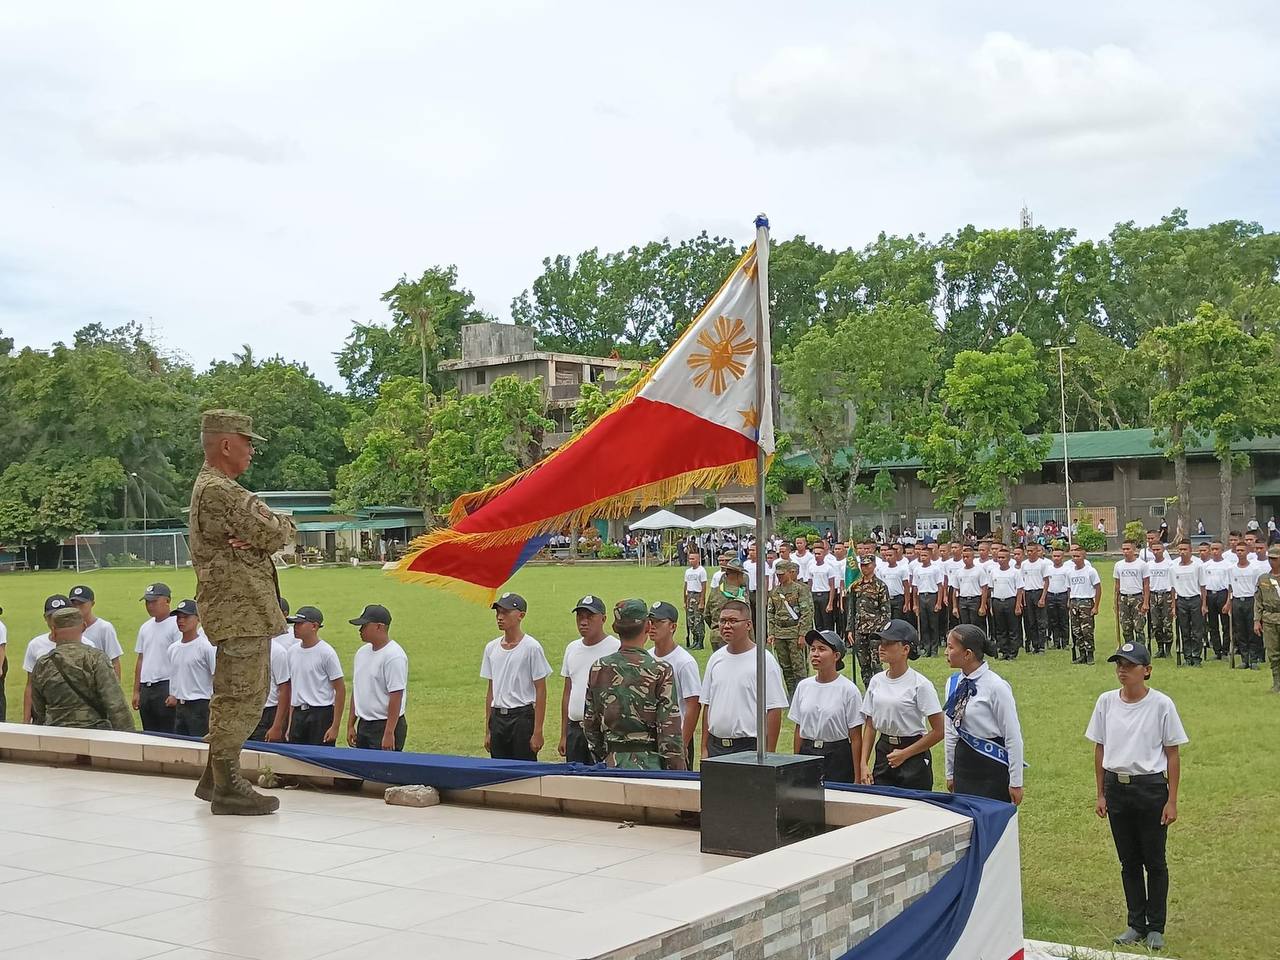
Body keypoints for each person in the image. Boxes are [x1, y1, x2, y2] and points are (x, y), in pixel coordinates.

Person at [190, 409, 296, 815]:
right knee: (244, 694)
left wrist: (262, 537)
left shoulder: (215, 488)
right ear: (227, 444)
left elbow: (266, 535)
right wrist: (271, 532)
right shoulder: (221, 491)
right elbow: (275, 532)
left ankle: (216, 778)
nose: (252, 451)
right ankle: (228, 785)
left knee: (233, 692)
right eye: (248, 442)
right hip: (240, 608)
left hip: (236, 606)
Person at [1086, 641, 1187, 952]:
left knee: (1154, 861)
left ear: (1147, 671)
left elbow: (1172, 754)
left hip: (1150, 789)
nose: (1122, 670)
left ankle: (1156, 926)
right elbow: (1100, 748)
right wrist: (1101, 792)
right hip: (1118, 788)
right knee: (1128, 860)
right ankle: (1135, 923)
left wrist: (1171, 799)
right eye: (1119, 664)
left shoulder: (1161, 705)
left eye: (1129, 665)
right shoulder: (1106, 702)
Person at [583, 599, 686, 771]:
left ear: (616, 628)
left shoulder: (599, 668)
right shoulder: (660, 670)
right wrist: (676, 772)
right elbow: (670, 734)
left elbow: (590, 725)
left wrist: (605, 757)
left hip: (611, 765)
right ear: (647, 627)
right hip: (651, 768)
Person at [943, 624, 1024, 805]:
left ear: (968, 654)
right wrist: (950, 772)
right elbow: (950, 732)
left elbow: (1012, 735)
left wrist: (1016, 782)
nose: (946, 652)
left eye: (950, 647)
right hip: (964, 763)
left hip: (991, 765)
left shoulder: (996, 686)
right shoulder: (953, 683)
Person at [859, 620, 944, 790]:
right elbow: (870, 724)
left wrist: (906, 754)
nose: (881, 647)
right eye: (881, 642)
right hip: (884, 750)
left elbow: (940, 730)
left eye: (889, 643)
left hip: (913, 752)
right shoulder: (876, 681)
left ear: (906, 649)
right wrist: (863, 763)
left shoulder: (920, 684)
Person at [700, 598, 788, 758]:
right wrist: (704, 748)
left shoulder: (763, 660)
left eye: (733, 621)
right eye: (723, 621)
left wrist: (768, 753)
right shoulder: (716, 659)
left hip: (749, 747)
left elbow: (774, 709)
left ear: (748, 625)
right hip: (716, 746)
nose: (726, 626)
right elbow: (707, 705)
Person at [29, 606, 135, 732]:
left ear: (53, 630)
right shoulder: (95, 659)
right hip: (93, 732)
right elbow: (115, 704)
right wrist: (129, 735)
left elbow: (38, 710)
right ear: (84, 627)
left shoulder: (43, 664)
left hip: (56, 734)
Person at [481, 592, 551, 760]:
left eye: (505, 613)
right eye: (498, 613)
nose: (499, 617)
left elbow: (540, 690)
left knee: (524, 768)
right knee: (498, 770)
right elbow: (491, 689)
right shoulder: (491, 648)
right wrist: (488, 729)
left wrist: (537, 731)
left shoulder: (531, 648)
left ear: (521, 615)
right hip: (498, 717)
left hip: (522, 718)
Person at [788, 629, 863, 783]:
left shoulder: (848, 690)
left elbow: (855, 737)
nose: (815, 654)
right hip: (808, 753)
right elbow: (798, 730)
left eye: (822, 649)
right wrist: (796, 765)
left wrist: (857, 776)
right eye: (813, 649)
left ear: (836, 656)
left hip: (837, 755)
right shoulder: (804, 686)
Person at [559, 595, 620, 763]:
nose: (583, 622)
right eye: (580, 616)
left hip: (602, 731)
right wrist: (564, 733)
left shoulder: (615, 648)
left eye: (590, 617)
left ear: (603, 619)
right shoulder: (572, 648)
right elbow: (567, 692)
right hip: (575, 730)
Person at [23, 595, 96, 723]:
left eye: (63, 617)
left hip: (81, 717)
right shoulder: (35, 645)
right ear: (45, 619)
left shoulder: (88, 646)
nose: (56, 622)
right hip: (48, 714)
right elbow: (30, 685)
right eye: (52, 617)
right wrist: (26, 721)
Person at [345, 604, 408, 750]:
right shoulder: (361, 653)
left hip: (384, 725)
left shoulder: (394, 656)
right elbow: (357, 689)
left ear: (379, 627)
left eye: (364, 626)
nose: (360, 630)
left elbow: (396, 695)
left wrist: (389, 733)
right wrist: (350, 724)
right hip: (365, 723)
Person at [647, 601, 702, 768]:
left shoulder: (684, 662)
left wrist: (682, 744)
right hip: (651, 738)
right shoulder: (647, 658)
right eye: (650, 622)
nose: (653, 627)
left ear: (672, 626)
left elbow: (693, 705)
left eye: (659, 622)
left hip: (676, 736)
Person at [284, 606, 345, 745]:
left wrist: (335, 726)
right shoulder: (292, 652)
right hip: (299, 714)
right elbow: (294, 688)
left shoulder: (326, 653)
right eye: (295, 624)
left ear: (314, 626)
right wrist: (290, 724)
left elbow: (340, 689)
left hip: (321, 714)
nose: (295, 627)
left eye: (300, 624)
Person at [132, 583, 181, 733]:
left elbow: (180, 661)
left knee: (168, 731)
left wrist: (175, 692)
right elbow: (141, 659)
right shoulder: (145, 627)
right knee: (149, 733)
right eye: (147, 602)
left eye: (154, 602)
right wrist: (136, 691)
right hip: (147, 687)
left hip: (165, 685)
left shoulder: (176, 625)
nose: (149, 606)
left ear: (167, 601)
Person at [165, 600, 216, 738]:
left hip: (200, 705)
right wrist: (173, 694)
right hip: (181, 706)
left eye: (186, 617)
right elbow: (175, 674)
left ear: (198, 618)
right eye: (178, 617)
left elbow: (215, 675)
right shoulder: (173, 648)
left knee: (199, 745)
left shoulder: (206, 647)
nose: (181, 621)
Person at [767, 559, 813, 698]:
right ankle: (792, 695)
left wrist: (802, 634)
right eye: (778, 574)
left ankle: (803, 695)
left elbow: (806, 612)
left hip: (794, 632)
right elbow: (770, 612)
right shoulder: (775, 591)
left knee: (799, 667)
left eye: (782, 573)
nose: (780, 576)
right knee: (785, 667)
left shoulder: (799, 589)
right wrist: (771, 632)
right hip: (780, 633)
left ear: (790, 572)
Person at [250, 598, 294, 743]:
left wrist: (277, 725)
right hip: (249, 710)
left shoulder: (277, 652)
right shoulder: (245, 648)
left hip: (269, 711)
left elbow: (284, 689)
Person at [850, 553, 890, 684]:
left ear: (874, 565)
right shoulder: (856, 586)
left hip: (875, 631)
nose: (864, 568)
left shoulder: (880, 586)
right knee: (864, 664)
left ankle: (880, 690)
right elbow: (852, 609)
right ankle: (868, 690)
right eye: (862, 565)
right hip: (859, 630)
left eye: (867, 565)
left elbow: (886, 611)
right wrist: (849, 629)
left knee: (876, 664)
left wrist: (882, 631)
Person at [67, 585, 123, 678]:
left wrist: (115, 689)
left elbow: (114, 661)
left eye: (81, 603)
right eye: (74, 604)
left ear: (92, 604)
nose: (77, 607)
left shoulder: (104, 628)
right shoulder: (67, 630)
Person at [1227, 543, 1263, 670]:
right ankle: (1244, 659)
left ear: (1247, 551)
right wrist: (1228, 603)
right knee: (1240, 631)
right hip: (1237, 601)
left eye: (1242, 550)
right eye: (1238, 550)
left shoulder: (1254, 569)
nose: (1240, 552)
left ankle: (1254, 660)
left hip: (1250, 600)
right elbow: (1230, 587)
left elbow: (1258, 589)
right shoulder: (1231, 569)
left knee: (1252, 631)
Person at [1171, 540, 1207, 666]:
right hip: (1181, 601)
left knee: (1197, 631)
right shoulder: (1174, 568)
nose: (1182, 552)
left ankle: (1196, 657)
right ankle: (1187, 657)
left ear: (1191, 551)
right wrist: (1173, 607)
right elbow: (1173, 588)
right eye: (1180, 550)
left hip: (1195, 600)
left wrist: (1204, 604)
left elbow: (1203, 587)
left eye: (1185, 549)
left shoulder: (1198, 567)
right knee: (1184, 631)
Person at [910, 546, 947, 657]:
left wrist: (938, 602)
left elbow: (940, 586)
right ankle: (926, 648)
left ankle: (934, 649)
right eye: (921, 555)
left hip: (932, 596)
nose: (923, 557)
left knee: (933, 625)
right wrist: (915, 604)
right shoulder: (917, 570)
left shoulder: (935, 569)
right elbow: (915, 588)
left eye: (925, 555)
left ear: (930, 556)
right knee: (924, 624)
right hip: (921, 596)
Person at [1068, 544, 1102, 664]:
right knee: (1077, 630)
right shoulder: (1070, 572)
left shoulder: (1090, 571)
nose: (1076, 558)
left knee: (1087, 630)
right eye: (1074, 556)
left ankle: (1090, 654)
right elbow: (1069, 588)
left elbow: (1098, 588)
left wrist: (1096, 605)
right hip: (1074, 602)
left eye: (1078, 556)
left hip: (1086, 602)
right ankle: (1081, 654)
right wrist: (1069, 603)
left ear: (1083, 557)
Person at [704, 558, 748, 651]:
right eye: (742, 574)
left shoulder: (715, 591)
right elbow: (747, 618)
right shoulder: (741, 594)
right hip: (736, 636)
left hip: (716, 636)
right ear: (737, 575)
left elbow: (706, 615)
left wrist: (716, 627)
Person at [1252, 545, 1280, 693]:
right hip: (1269, 619)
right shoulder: (1264, 579)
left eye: (1275, 559)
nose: (1272, 562)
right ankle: (1277, 683)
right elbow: (1258, 601)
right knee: (1273, 654)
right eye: (1270, 559)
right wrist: (1257, 620)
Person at [988, 546, 1023, 660]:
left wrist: (1018, 605)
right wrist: (992, 606)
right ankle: (1003, 651)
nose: (1000, 560)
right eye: (999, 558)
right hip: (997, 601)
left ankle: (1013, 652)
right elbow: (991, 590)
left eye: (1003, 557)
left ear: (1008, 559)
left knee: (1012, 628)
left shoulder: (1015, 572)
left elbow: (1019, 590)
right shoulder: (993, 572)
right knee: (1000, 628)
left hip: (1010, 600)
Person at [1113, 541, 1150, 647]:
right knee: (1126, 627)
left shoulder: (1142, 565)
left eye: (1128, 549)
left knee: (1138, 627)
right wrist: (1115, 602)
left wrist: (1146, 602)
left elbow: (1146, 585)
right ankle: (1129, 651)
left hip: (1137, 598)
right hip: (1124, 598)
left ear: (1134, 550)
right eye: (1123, 549)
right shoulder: (1118, 565)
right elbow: (1117, 585)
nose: (1125, 551)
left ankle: (1141, 650)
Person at [1145, 541, 1175, 659]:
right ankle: (1160, 648)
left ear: (1163, 550)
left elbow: (1173, 583)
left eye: (1158, 550)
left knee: (1167, 624)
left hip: (1166, 594)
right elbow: (1146, 583)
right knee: (1156, 624)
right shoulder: (1148, 565)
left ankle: (1168, 649)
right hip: (1153, 595)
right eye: (1154, 550)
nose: (1156, 552)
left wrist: (1173, 600)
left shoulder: (1170, 564)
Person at [950, 545, 991, 628]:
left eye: (967, 557)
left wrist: (983, 605)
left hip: (975, 600)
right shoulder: (958, 572)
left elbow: (984, 589)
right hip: (962, 600)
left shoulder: (979, 571)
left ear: (972, 557)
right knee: (964, 626)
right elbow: (955, 590)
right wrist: (954, 607)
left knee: (976, 625)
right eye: (964, 557)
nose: (965, 559)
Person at [1202, 542, 1231, 660]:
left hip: (1222, 594)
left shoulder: (1228, 565)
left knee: (1225, 624)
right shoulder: (1206, 565)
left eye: (1217, 549)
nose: (1215, 551)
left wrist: (1228, 601)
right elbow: (1203, 586)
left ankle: (1225, 650)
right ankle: (1217, 651)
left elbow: (1230, 585)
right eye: (1213, 549)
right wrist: (1204, 603)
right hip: (1210, 594)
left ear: (1222, 550)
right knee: (1212, 625)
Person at [1019, 543, 1049, 654]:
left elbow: (1046, 581)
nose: (1030, 553)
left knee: (1041, 621)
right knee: (1031, 622)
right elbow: (1022, 582)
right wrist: (1023, 599)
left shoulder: (1042, 564)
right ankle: (1035, 645)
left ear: (1037, 551)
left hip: (1038, 592)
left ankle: (1041, 646)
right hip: (1027, 593)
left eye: (1032, 551)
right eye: (1028, 551)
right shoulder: (1024, 564)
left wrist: (1042, 598)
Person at [809, 541, 840, 632]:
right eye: (815, 554)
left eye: (819, 554)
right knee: (818, 622)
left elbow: (832, 585)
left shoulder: (828, 568)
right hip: (815, 595)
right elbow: (810, 584)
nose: (817, 556)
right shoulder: (811, 567)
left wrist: (830, 603)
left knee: (827, 622)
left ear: (823, 554)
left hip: (825, 595)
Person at [683, 551, 708, 650]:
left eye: (693, 559)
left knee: (698, 620)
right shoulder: (688, 571)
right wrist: (685, 601)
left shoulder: (701, 571)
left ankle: (700, 641)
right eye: (689, 559)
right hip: (690, 595)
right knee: (691, 620)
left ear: (698, 559)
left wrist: (702, 601)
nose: (690, 561)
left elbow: (704, 587)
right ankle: (694, 640)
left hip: (697, 595)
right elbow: (685, 586)